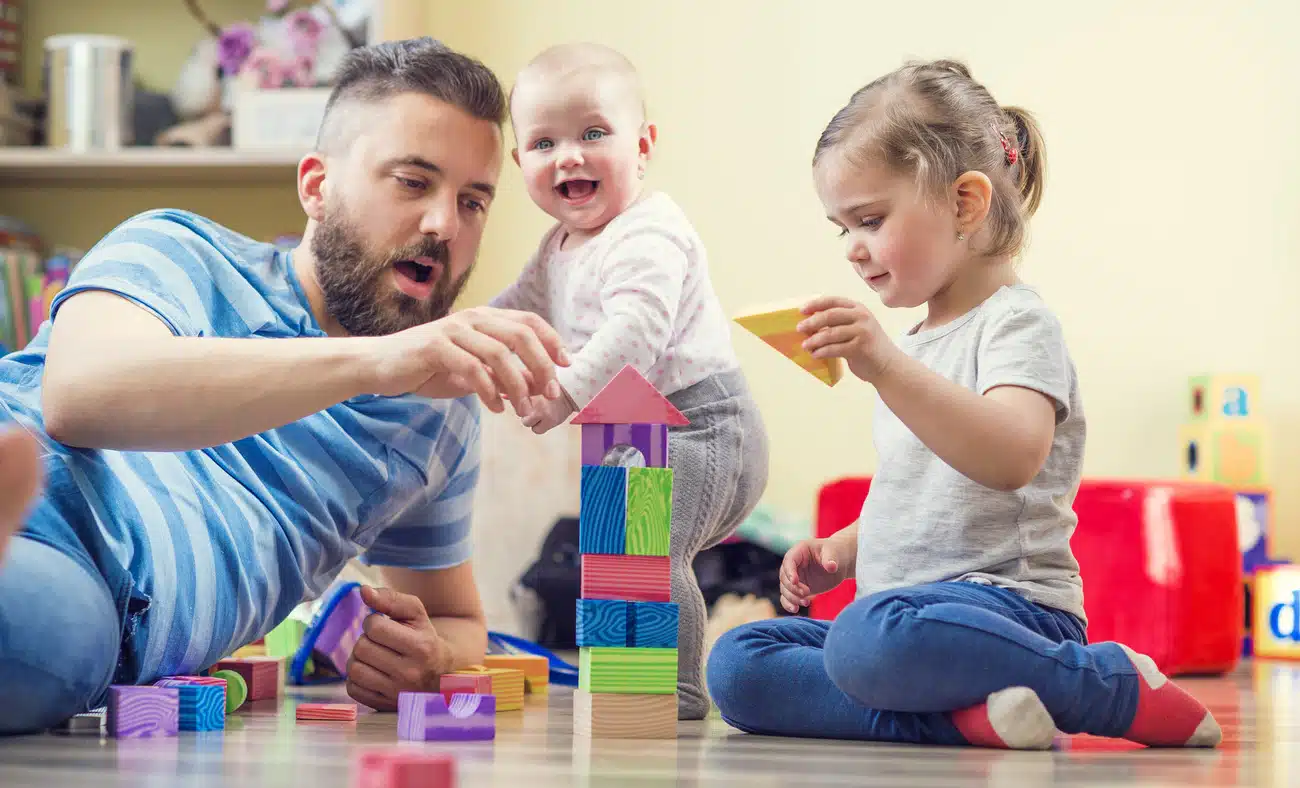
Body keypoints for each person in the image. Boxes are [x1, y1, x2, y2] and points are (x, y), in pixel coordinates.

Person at [0, 38, 570, 735]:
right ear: (315, 186)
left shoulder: (436, 415)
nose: (443, 224)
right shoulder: (179, 249)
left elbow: (460, 622)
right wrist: (375, 362)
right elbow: (80, 397)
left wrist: (431, 655)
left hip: (93, 600)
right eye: (413, 182)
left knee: (47, 639)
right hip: (32, 475)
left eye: (473, 201)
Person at [706, 59, 1221, 749]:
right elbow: (920, 488)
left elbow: (1011, 456)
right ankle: (968, 721)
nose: (854, 251)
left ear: (965, 203)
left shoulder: (1016, 324)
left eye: (870, 219)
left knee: (865, 644)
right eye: (842, 229)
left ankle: (1101, 684)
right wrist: (844, 551)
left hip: (1009, 614)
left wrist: (884, 364)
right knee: (739, 665)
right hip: (904, 614)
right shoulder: (915, 344)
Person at [490, 42, 769, 720]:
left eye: (593, 133)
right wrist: (456, 337)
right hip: (630, 427)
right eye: (544, 142)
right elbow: (512, 311)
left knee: (649, 551)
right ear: (519, 161)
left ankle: (675, 689)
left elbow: (635, 333)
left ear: (642, 145)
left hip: (705, 425)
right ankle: (621, 680)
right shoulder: (557, 247)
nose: (570, 156)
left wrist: (562, 391)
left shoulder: (650, 232)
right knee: (609, 554)